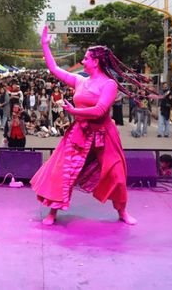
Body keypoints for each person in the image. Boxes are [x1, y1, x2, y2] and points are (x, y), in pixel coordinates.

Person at [31, 25, 143, 226]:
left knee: (116, 173)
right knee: (64, 171)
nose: (83, 61)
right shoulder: (81, 82)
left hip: (104, 134)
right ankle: (53, 211)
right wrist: (45, 45)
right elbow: (54, 69)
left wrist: (74, 112)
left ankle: (122, 211)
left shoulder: (109, 84)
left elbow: (100, 110)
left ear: (96, 61)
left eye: (85, 58)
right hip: (79, 134)